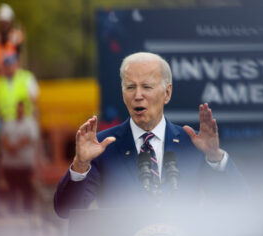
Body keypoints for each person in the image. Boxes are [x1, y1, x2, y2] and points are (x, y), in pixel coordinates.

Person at [54, 52, 249, 218]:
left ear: (167, 93)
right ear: (123, 93)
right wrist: (80, 165)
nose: (138, 95)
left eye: (147, 87)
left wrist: (215, 157)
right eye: (130, 87)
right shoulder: (103, 146)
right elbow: (65, 211)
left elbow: (239, 201)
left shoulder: (193, 144)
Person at [1, 101, 39, 214]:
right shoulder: (9, 123)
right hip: (10, 163)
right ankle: (12, 209)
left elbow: (30, 138)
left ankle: (27, 210)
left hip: (25, 163)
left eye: (21, 109)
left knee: (26, 187)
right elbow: (3, 137)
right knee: (11, 187)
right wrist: (9, 147)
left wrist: (15, 147)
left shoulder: (30, 123)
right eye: (18, 109)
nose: (19, 111)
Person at [0, 54, 38, 121]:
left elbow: (34, 100)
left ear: (16, 64)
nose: (9, 68)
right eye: (7, 66)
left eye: (11, 65)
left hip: (25, 119)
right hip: (6, 121)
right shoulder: (0, 81)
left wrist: (35, 117)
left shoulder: (26, 77)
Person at [0, 3, 24, 74]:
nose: (4, 25)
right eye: (2, 22)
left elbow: (20, 57)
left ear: (11, 22)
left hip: (12, 76)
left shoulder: (16, 36)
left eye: (6, 22)